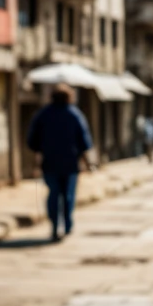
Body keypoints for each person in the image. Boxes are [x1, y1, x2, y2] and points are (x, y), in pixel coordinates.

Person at [26, 83, 93, 241]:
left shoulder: (43, 114)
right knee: (68, 195)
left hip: (50, 163)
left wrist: (40, 151)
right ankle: (68, 224)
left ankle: (55, 226)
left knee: (54, 194)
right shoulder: (75, 115)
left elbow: (31, 140)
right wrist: (87, 162)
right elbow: (84, 141)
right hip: (71, 164)